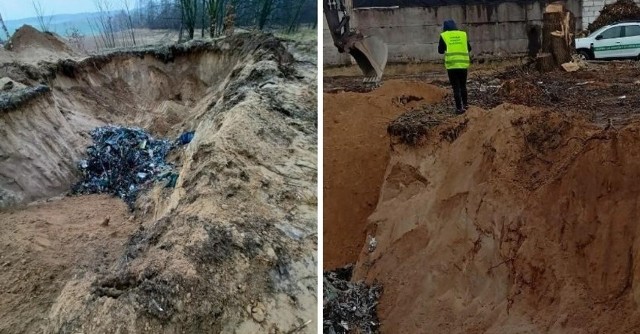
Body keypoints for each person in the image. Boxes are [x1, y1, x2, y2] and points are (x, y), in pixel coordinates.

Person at [438, 19, 472, 114]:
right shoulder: (463, 34)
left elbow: (440, 51)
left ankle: (459, 108)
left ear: (445, 28)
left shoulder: (444, 36)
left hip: (452, 66)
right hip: (463, 65)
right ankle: (466, 105)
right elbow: (469, 48)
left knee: (456, 87)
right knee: (463, 86)